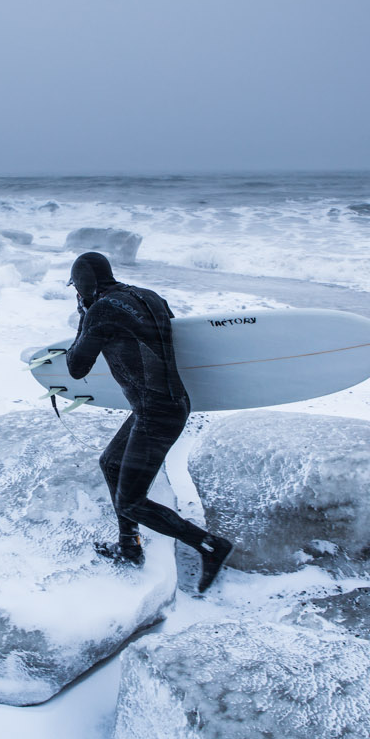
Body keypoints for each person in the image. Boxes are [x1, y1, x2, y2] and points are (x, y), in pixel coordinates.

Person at [65, 251, 233, 593]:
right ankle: (129, 547)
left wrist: (85, 318)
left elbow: (76, 367)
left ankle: (210, 545)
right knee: (110, 463)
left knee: (131, 500)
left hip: (156, 413)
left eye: (77, 290)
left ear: (83, 285)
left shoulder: (100, 311)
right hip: (165, 405)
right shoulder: (151, 297)